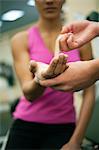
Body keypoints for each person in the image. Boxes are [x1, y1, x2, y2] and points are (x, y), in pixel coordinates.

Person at [5, 1, 95, 150]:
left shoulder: (80, 39)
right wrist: (42, 78)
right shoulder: (21, 39)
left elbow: (90, 91)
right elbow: (29, 93)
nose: (49, 1)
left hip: (64, 126)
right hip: (26, 124)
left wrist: (76, 140)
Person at [39, 20, 99, 91]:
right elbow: (28, 93)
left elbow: (90, 86)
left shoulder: (77, 37)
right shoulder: (25, 38)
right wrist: (38, 79)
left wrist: (94, 70)